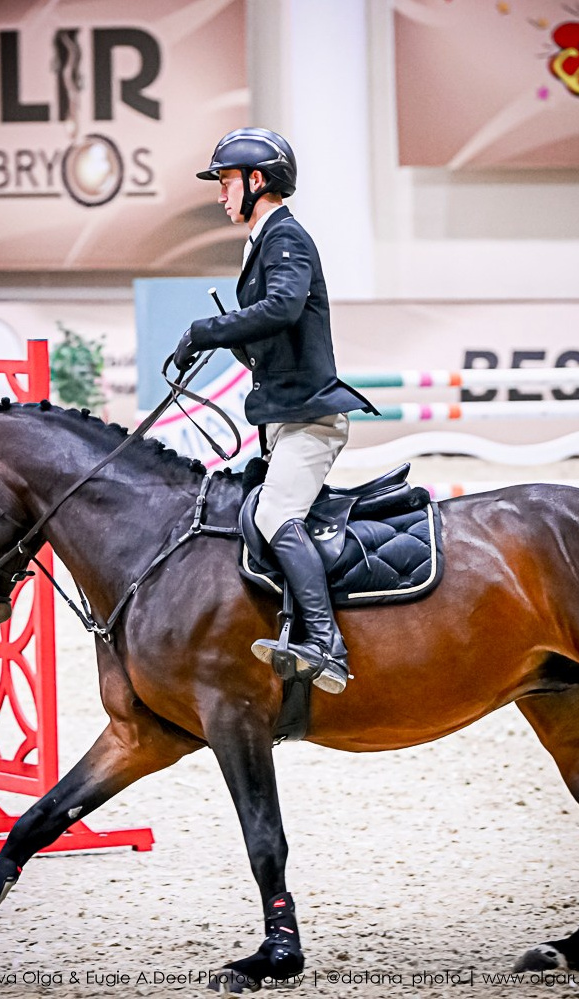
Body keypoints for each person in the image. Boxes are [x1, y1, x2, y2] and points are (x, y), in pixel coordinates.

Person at [173, 127, 372, 695]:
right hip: (283, 416)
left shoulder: (284, 237)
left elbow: (283, 307)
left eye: (226, 182)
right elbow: (276, 330)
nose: (220, 194)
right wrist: (233, 341)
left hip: (310, 417)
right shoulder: (262, 240)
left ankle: (326, 644)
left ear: (257, 180)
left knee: (274, 515)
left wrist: (207, 330)